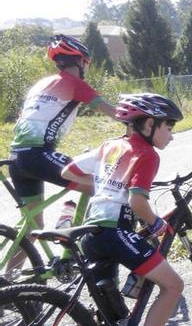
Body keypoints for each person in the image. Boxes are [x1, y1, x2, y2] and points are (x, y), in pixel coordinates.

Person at [60, 93, 186, 326]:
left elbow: (67, 172)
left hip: (92, 233)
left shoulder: (110, 146)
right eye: (168, 127)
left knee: (106, 300)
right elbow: (138, 202)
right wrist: (155, 224)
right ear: (148, 124)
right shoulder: (147, 154)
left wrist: (101, 188)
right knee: (173, 286)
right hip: (116, 232)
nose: (171, 134)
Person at [8, 34, 117, 228]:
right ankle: (67, 217)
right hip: (37, 155)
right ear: (81, 62)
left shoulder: (40, 85)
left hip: (16, 158)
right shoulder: (74, 83)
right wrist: (142, 120)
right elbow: (113, 112)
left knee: (32, 227)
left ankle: (13, 259)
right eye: (87, 63)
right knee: (106, 188)